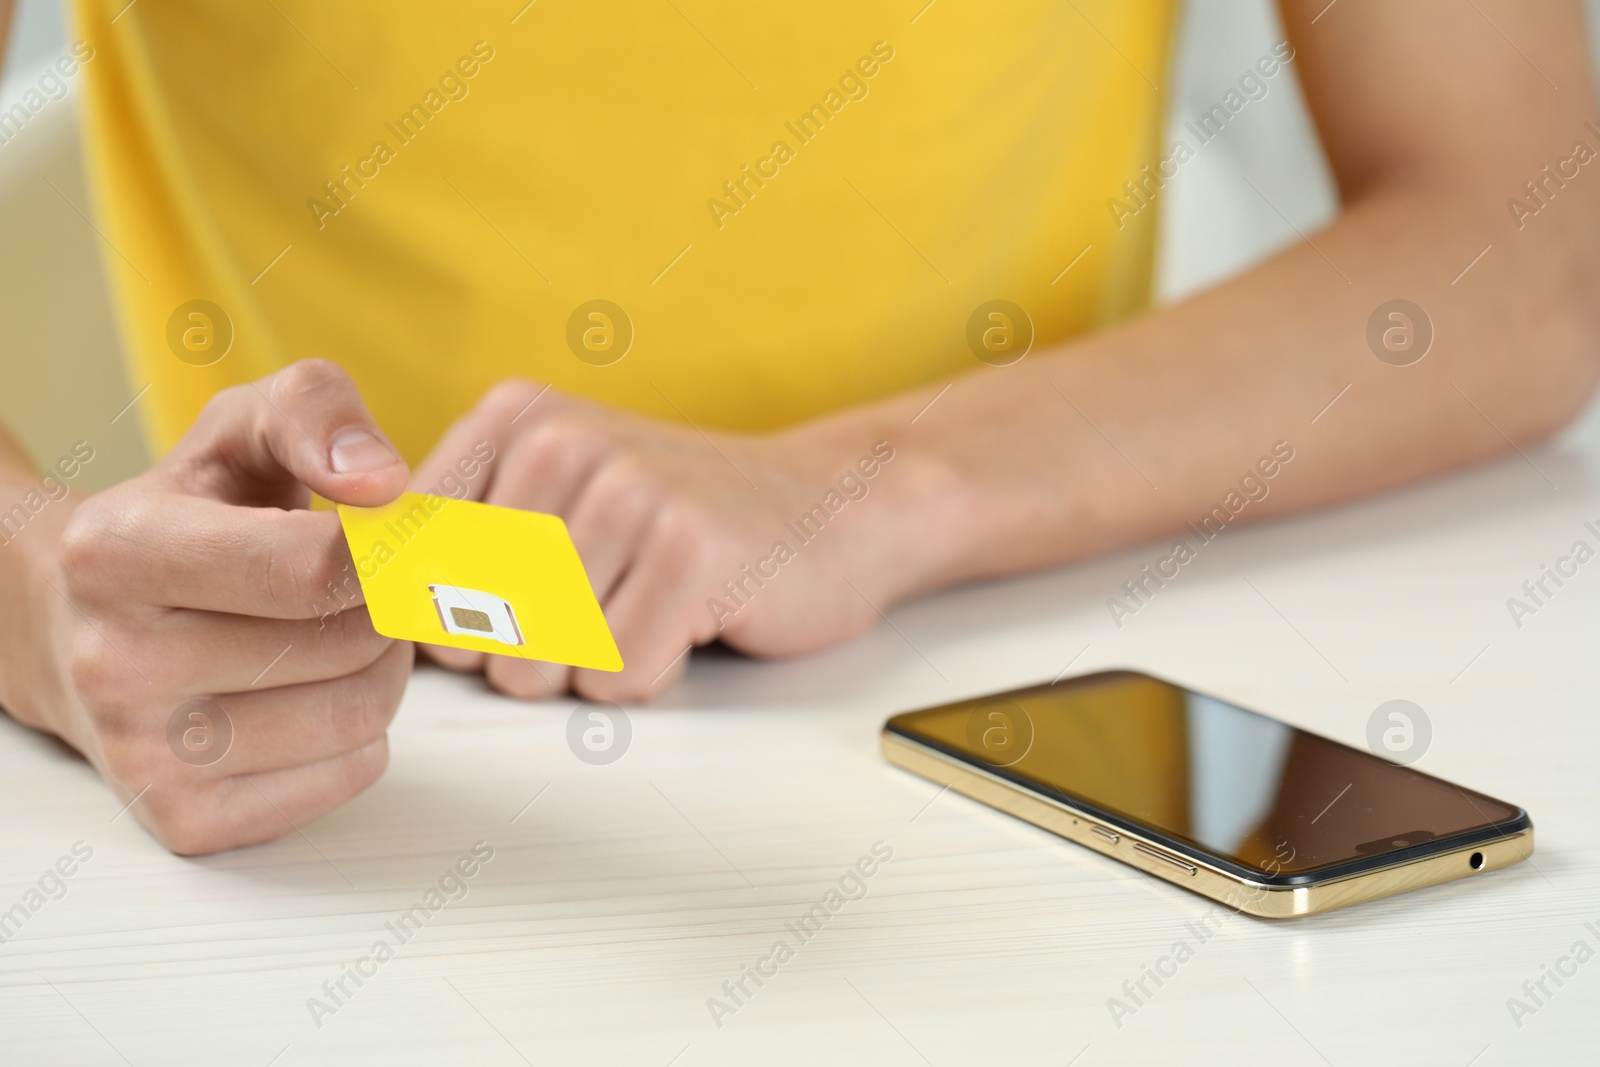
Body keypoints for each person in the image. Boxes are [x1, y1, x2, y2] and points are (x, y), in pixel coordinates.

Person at [0, 0, 1595, 855]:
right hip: (347, 766)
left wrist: (863, 490)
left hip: (1016, 672)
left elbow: (1530, 251)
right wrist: (40, 593)